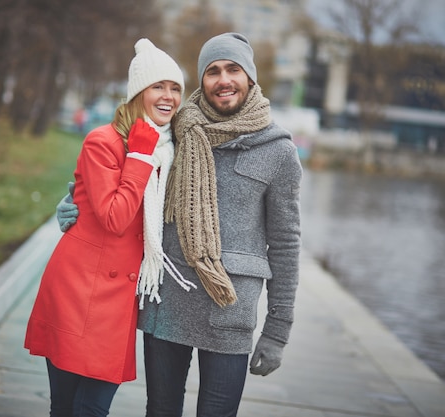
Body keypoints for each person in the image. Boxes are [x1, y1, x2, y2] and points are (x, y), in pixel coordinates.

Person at [57, 32, 302, 417]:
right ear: (202, 81)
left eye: (233, 69)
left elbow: (286, 244)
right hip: (167, 303)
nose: (223, 80)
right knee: (160, 411)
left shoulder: (279, 151)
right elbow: (120, 171)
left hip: (229, 311)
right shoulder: (174, 131)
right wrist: (71, 203)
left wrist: (277, 330)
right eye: (213, 71)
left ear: (250, 78)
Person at [25, 38, 185, 417]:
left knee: (92, 409)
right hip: (79, 291)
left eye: (175, 88)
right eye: (158, 86)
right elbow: (115, 218)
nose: (168, 96)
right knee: (66, 407)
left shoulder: (172, 150)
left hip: (119, 302)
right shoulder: (103, 142)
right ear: (137, 93)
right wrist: (140, 157)